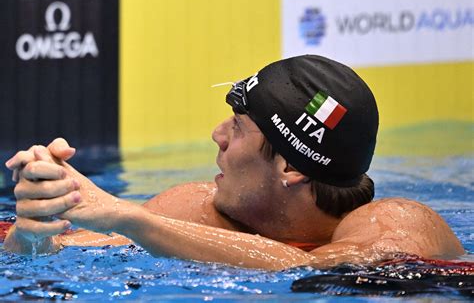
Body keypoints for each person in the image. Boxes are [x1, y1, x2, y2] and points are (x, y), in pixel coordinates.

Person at [3, 55, 464, 270]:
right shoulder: (196, 212)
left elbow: (318, 271)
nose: (218, 135)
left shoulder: (401, 223)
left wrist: (124, 214)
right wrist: (38, 222)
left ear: (291, 168)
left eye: (240, 126)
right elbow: (58, 254)